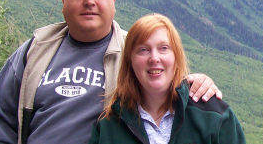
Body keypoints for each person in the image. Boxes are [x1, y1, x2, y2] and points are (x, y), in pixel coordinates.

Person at [0, 0, 223, 144]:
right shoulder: (34, 52)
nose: (89, 1)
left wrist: (198, 82)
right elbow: (0, 125)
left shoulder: (136, 53)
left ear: (114, 1)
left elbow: (167, 86)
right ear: (63, 1)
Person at [89, 14, 246, 144]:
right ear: (130, 62)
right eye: (143, 50)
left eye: (163, 48)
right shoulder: (109, 126)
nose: (154, 58)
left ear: (176, 57)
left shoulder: (214, 117)